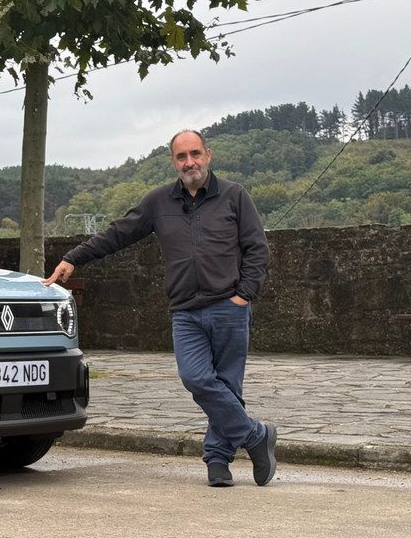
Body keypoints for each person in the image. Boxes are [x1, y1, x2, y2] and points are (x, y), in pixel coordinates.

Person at [44, 129, 276, 487]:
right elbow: (118, 233)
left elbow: (257, 248)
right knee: (196, 378)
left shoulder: (235, 196)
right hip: (186, 311)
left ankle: (218, 459)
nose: (190, 162)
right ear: (173, 162)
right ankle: (256, 435)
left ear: (208, 155)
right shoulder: (159, 202)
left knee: (228, 387)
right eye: (182, 156)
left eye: (195, 154)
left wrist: (244, 295)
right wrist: (74, 257)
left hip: (228, 307)